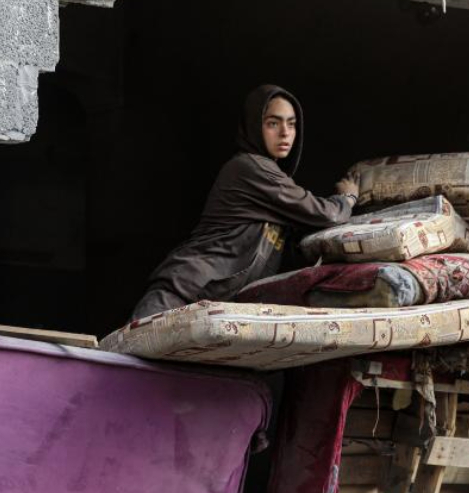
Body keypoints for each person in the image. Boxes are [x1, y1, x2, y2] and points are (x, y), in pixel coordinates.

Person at [131, 84, 359, 320]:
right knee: (123, 357)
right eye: (273, 123)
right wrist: (348, 197)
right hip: (178, 295)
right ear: (254, 125)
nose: (285, 132)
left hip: (205, 309)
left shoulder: (272, 184)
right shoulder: (249, 168)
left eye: (291, 124)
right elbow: (326, 214)